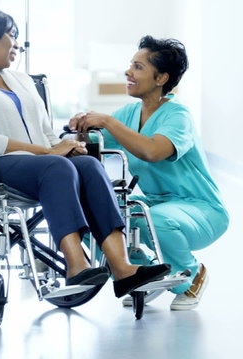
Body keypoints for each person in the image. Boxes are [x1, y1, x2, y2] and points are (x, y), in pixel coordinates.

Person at [0, 7, 171, 299]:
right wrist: (49, 152)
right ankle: (76, 266)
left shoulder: (21, 81)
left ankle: (122, 269)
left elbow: (47, 131)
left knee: (87, 164)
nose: (17, 44)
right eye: (12, 36)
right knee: (57, 167)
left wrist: (69, 146)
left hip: (38, 165)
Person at [69, 35, 229, 310]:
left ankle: (191, 276)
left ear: (161, 78)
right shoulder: (130, 113)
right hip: (159, 205)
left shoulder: (178, 116)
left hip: (201, 209)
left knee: (148, 220)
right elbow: (98, 140)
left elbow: (153, 151)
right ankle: (149, 275)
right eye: (131, 65)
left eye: (138, 67)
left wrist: (106, 120)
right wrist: (81, 129)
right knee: (94, 217)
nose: (128, 72)